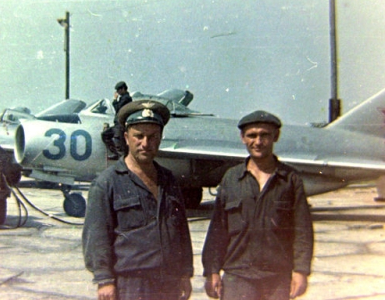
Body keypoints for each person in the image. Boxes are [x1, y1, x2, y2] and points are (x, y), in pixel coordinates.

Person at [83, 100, 194, 300]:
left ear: (160, 138)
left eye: (152, 137)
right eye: (139, 136)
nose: (145, 143)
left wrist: (185, 273)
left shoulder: (168, 180)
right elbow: (97, 237)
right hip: (131, 284)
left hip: (169, 281)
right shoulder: (107, 183)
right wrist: (104, 280)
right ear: (126, 137)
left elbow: (181, 232)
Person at [202, 110, 314, 300]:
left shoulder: (290, 179)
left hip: (277, 276)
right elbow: (217, 229)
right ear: (243, 138)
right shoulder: (232, 178)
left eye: (265, 135)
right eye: (251, 135)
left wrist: (301, 271)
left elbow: (302, 229)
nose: (258, 142)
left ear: (275, 137)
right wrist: (211, 271)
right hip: (238, 275)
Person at [102, 81, 133, 160]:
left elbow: (118, 108)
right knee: (105, 135)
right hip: (117, 125)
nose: (117, 92)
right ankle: (116, 154)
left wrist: (115, 100)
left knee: (119, 144)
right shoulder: (123, 98)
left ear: (123, 89)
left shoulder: (126, 98)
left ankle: (121, 160)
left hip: (120, 125)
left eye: (118, 90)